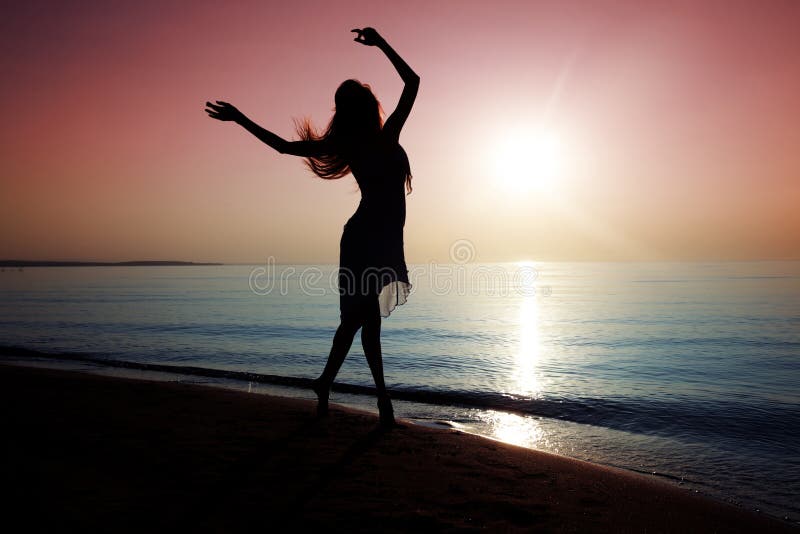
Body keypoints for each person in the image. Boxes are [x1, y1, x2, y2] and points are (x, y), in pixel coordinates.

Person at [205, 27, 418, 428]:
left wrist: (383, 43)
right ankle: (379, 402)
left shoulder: (380, 137)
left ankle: (329, 385)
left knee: (360, 321)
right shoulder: (370, 141)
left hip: (379, 239)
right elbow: (285, 147)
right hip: (364, 241)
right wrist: (240, 119)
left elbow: (414, 83)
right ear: (367, 107)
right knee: (362, 322)